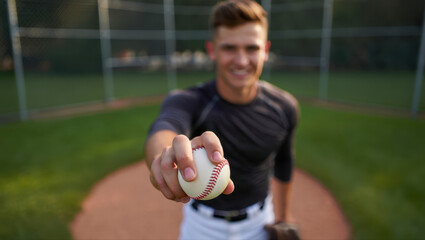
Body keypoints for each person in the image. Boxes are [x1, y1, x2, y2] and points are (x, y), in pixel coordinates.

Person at [144, 0, 300, 239]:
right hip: (201, 227)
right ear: (212, 50)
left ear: (265, 50)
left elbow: (284, 164)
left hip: (260, 224)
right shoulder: (188, 100)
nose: (241, 60)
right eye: (229, 48)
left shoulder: (284, 107)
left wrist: (285, 217)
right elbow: (165, 127)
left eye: (252, 48)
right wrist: (162, 156)